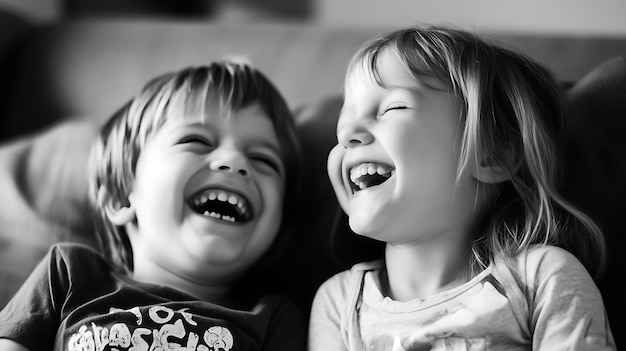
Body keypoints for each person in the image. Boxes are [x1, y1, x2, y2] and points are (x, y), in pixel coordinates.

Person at [309, 25, 616, 350]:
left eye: (391, 109)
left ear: (492, 155)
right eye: (341, 128)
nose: (347, 136)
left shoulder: (541, 278)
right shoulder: (339, 304)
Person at [0, 60, 305, 350]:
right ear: (121, 196)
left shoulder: (274, 320)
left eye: (263, 160)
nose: (235, 161)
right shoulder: (69, 273)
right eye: (197, 140)